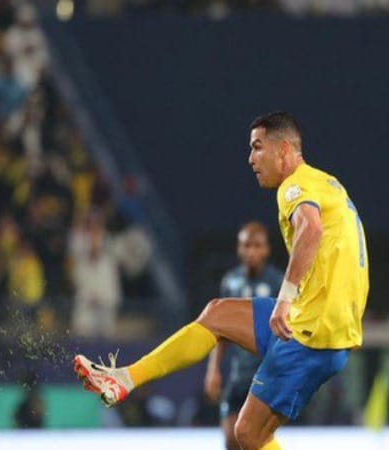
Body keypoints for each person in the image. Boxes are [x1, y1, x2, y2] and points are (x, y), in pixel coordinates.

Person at [73, 111, 369, 450]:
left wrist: (286, 298)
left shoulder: (295, 186)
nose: (250, 158)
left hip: (313, 333)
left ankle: (124, 380)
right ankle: (125, 378)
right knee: (217, 314)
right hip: (322, 322)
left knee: (248, 435)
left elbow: (311, 229)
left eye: (258, 147)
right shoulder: (326, 183)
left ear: (284, 149)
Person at [205, 222, 283, 449]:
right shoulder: (231, 282)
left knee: (254, 438)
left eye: (257, 246)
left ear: (267, 249)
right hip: (238, 373)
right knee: (230, 438)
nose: (252, 251)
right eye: (246, 245)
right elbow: (221, 330)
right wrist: (213, 369)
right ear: (239, 249)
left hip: (266, 374)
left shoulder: (278, 282)